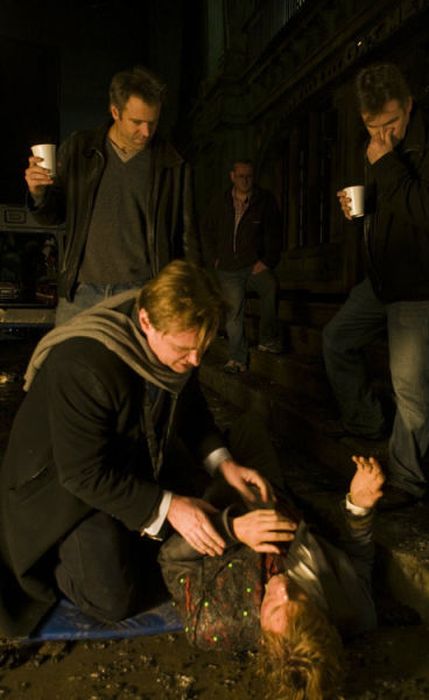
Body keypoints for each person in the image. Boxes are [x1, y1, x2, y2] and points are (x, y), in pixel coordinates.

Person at [0, 260, 274, 637]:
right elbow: (82, 474)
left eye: (203, 348)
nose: (195, 361)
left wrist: (225, 464)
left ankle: (142, 523)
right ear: (146, 321)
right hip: (63, 488)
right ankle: (57, 556)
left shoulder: (180, 342)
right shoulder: (83, 364)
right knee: (113, 599)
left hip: (123, 456)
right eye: (185, 350)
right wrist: (170, 506)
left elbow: (191, 410)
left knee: (199, 510)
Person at [160, 448, 384, 700]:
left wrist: (232, 528)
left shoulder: (211, 622)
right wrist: (359, 508)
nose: (284, 590)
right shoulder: (356, 611)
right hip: (273, 488)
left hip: (205, 489)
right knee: (251, 430)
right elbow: (359, 557)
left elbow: (171, 557)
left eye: (275, 606)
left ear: (263, 641)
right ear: (326, 618)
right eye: (301, 598)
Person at [323, 63, 429, 508]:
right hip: (381, 278)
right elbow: (389, 202)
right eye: (373, 127)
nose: (383, 135)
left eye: (392, 123)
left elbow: (422, 211)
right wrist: (360, 207)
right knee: (336, 340)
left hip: (418, 284)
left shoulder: (422, 142)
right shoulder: (376, 146)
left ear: (409, 105)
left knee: (411, 391)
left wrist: (384, 163)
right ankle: (367, 422)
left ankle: (407, 480)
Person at [24, 65, 200, 325]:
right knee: (70, 353)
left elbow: (188, 236)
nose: (146, 132)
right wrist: (38, 193)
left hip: (143, 294)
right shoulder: (79, 149)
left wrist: (189, 294)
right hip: (82, 293)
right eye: (137, 122)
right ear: (115, 111)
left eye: (152, 122)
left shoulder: (171, 163)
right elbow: (53, 216)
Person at [202, 159, 282, 374]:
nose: (245, 180)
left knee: (270, 286)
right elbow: (207, 231)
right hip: (228, 268)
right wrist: (214, 258)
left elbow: (275, 233)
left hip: (254, 265)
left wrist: (267, 261)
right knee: (234, 313)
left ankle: (268, 339)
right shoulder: (220, 202)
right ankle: (237, 359)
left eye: (249, 176)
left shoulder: (264, 200)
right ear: (232, 177)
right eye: (240, 176)